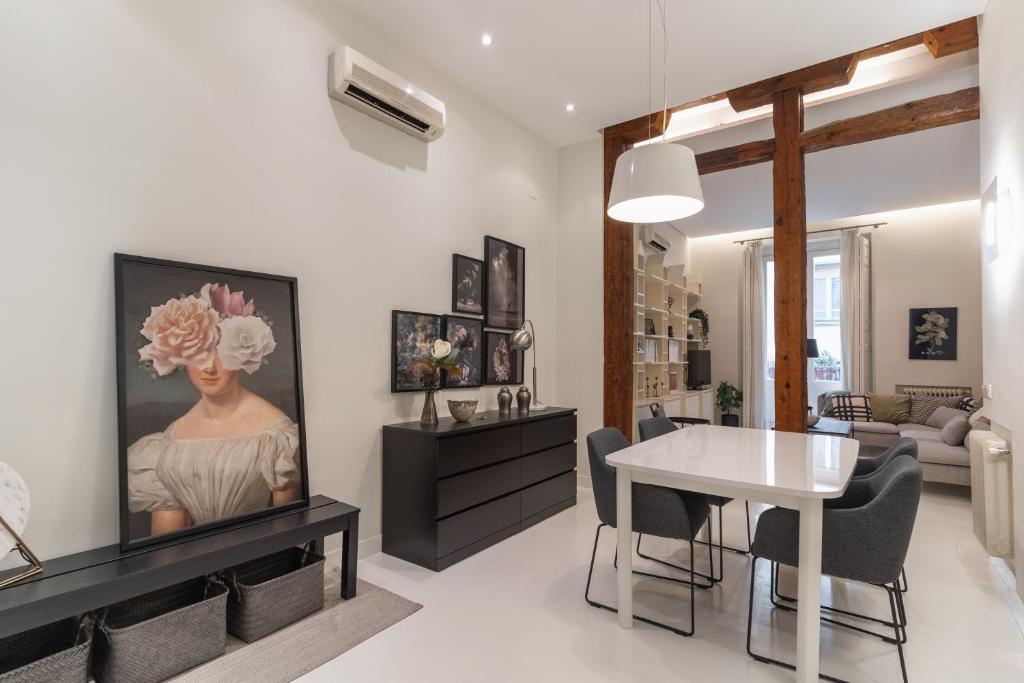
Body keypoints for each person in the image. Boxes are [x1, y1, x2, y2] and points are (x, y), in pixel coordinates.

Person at [127, 282, 300, 536]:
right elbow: (167, 542)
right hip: (197, 558)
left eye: (220, 354)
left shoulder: (276, 435)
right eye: (198, 354)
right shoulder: (171, 440)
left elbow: (289, 532)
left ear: (241, 356)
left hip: (259, 554)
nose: (209, 367)